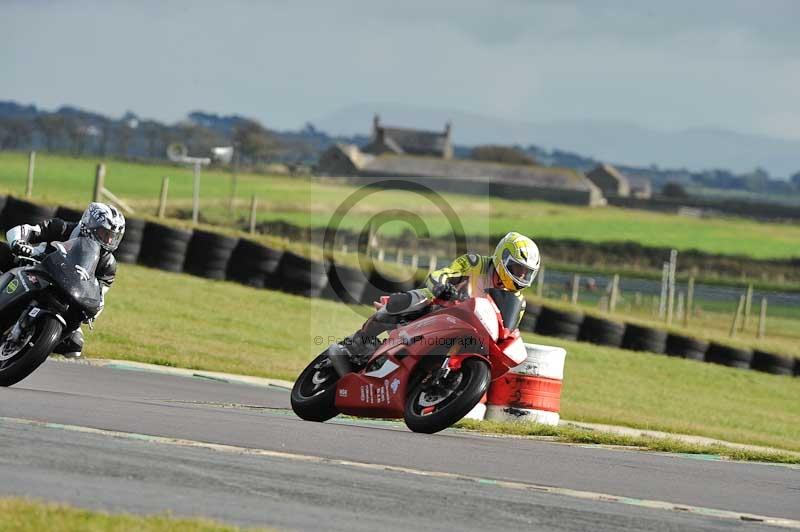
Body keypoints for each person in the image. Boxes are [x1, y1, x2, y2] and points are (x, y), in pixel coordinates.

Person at [342, 231, 541, 360]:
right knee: (415, 300)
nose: (521, 275)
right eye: (517, 268)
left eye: (526, 272)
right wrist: (442, 287)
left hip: (471, 333)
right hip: (444, 306)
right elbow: (443, 274)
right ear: (502, 257)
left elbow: (505, 331)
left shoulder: (519, 302)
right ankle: (359, 341)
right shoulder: (475, 263)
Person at [0, 202, 125, 358]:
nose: (108, 240)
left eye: (112, 237)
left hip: (68, 294)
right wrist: (19, 243)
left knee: (75, 344)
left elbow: (100, 295)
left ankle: (31, 350)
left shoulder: (108, 264)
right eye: (103, 233)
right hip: (35, 268)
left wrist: (94, 309)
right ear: (89, 223)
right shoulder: (62, 228)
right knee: (3, 251)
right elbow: (23, 231)